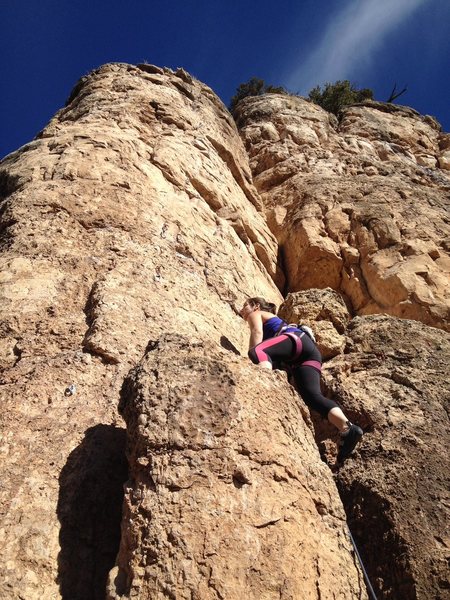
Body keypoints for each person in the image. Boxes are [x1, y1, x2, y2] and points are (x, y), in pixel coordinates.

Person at [240, 296, 363, 462]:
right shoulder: (278, 323)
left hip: (294, 341)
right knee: (312, 397)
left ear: (255, 306)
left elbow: (257, 333)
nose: (242, 311)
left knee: (257, 352)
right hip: (309, 353)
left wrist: (253, 367)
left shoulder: (257, 313)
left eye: (244, 306)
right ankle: (348, 428)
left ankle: (264, 384)